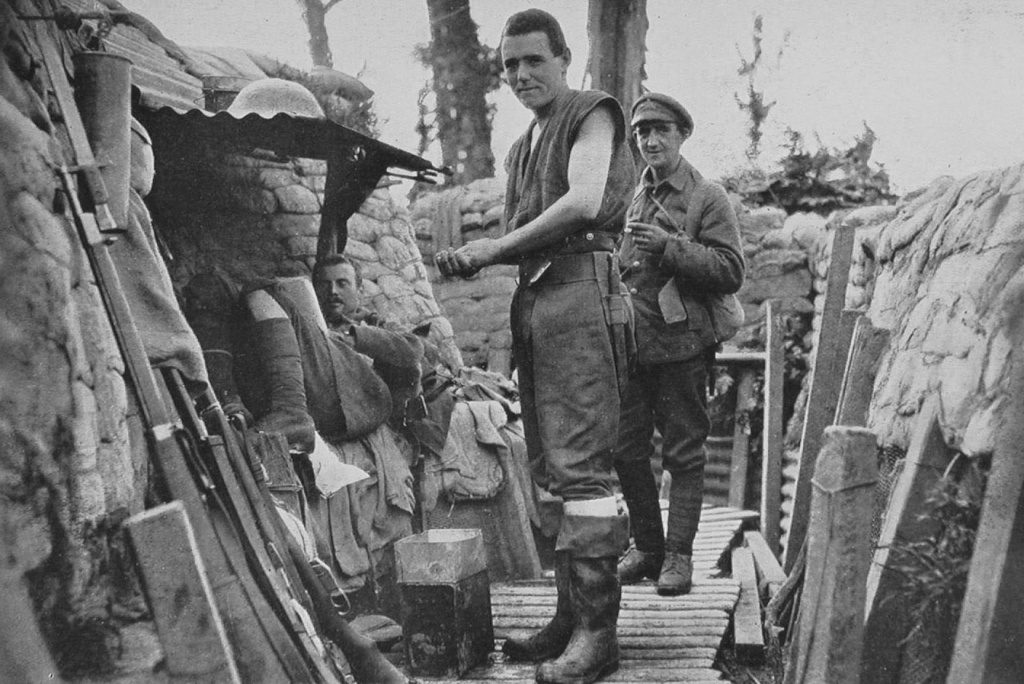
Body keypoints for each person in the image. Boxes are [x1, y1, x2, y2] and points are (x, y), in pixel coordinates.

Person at [434, 9, 634, 684]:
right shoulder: (524, 144)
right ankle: (568, 617)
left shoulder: (591, 113)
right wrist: (480, 256)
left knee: (583, 470)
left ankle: (599, 635)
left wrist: (492, 248)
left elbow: (581, 202)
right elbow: (527, 224)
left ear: (564, 59)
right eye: (510, 65)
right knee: (548, 466)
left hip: (580, 292)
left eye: (534, 61)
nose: (521, 75)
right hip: (539, 302)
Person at [613, 93, 745, 596]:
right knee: (625, 450)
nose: (649, 140)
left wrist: (670, 247)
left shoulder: (706, 196)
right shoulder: (635, 194)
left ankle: (679, 556)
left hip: (682, 347)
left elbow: (731, 271)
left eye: (660, 129)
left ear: (682, 133)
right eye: (642, 131)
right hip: (632, 346)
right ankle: (647, 547)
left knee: (684, 455)